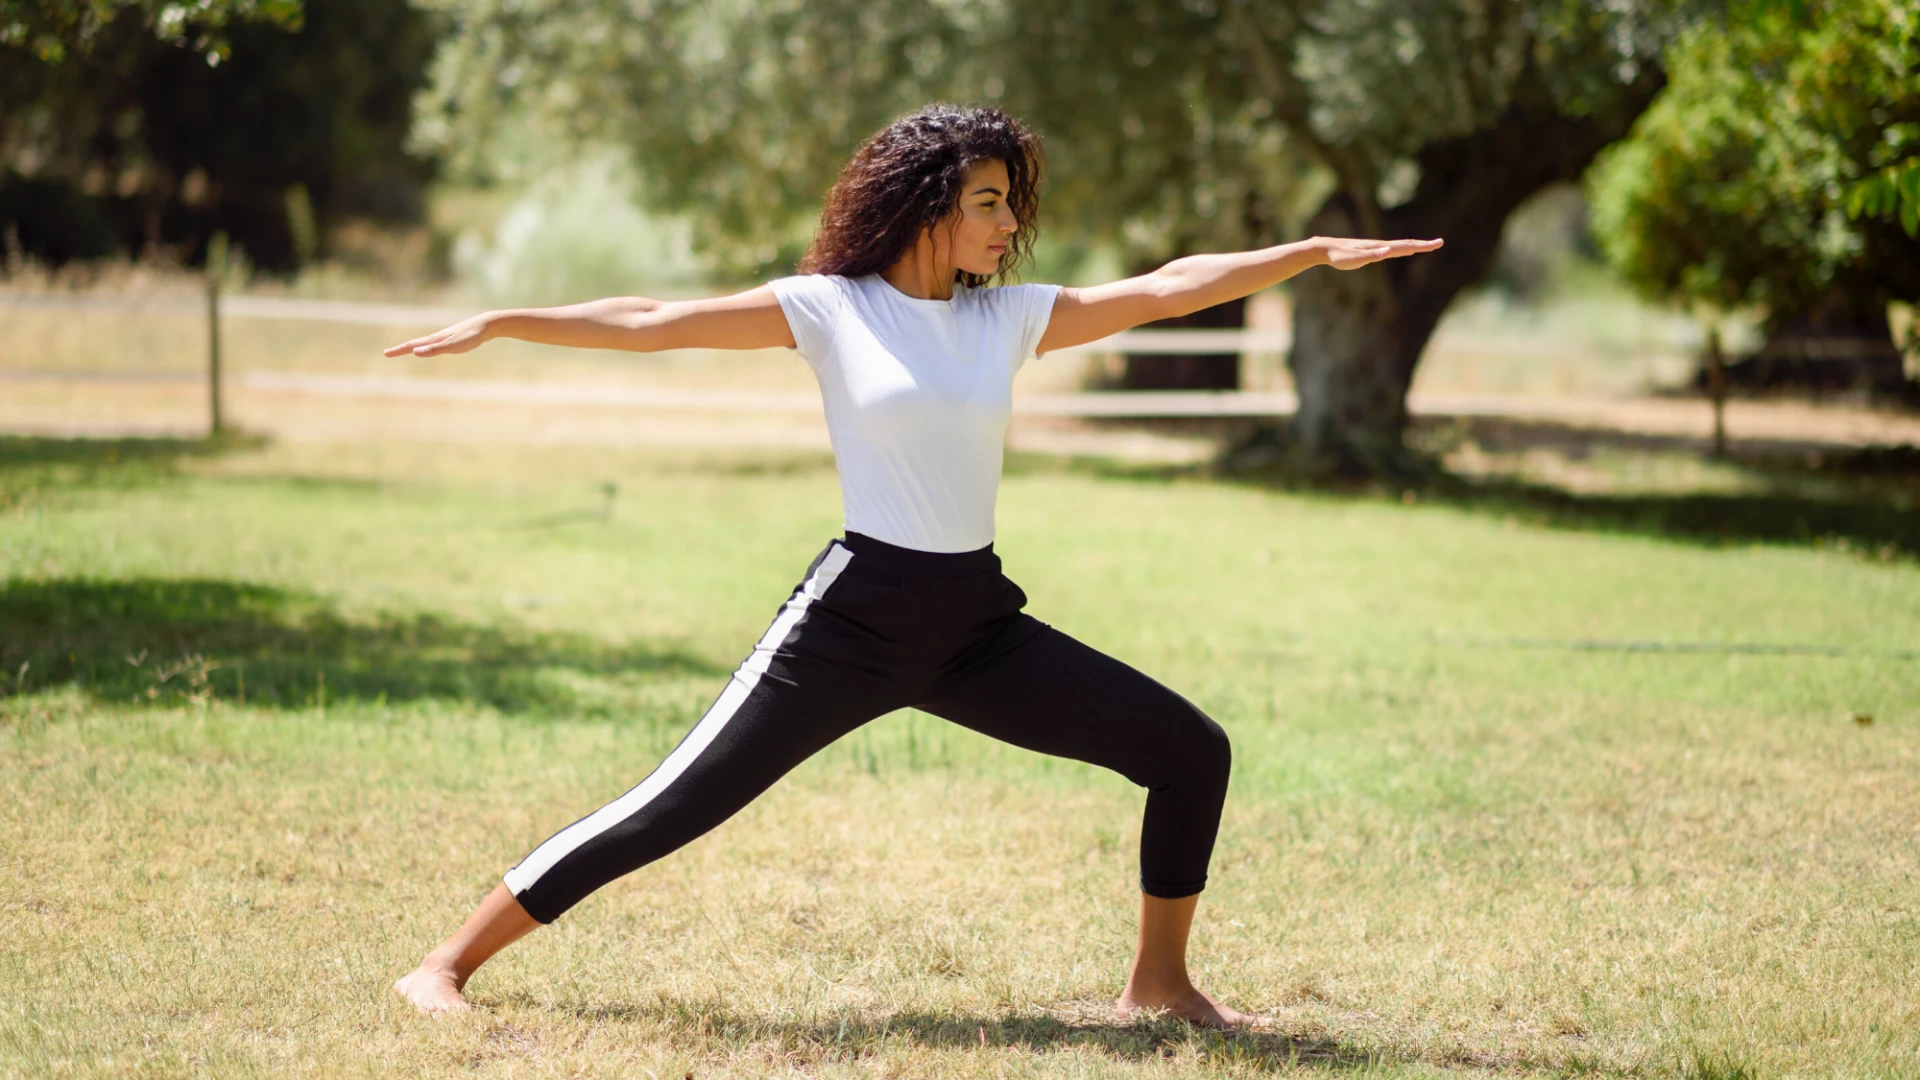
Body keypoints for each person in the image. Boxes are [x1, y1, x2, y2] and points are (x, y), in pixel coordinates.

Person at [387, 103, 1440, 1028]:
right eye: (988, 200)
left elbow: (1169, 287)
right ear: (929, 201)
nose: (1008, 223)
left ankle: (1159, 985)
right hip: (853, 622)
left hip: (973, 626)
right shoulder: (831, 308)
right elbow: (654, 321)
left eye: (1009, 202)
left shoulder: (1008, 320)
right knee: (672, 804)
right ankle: (444, 963)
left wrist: (1302, 252)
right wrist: (503, 321)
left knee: (1188, 750)